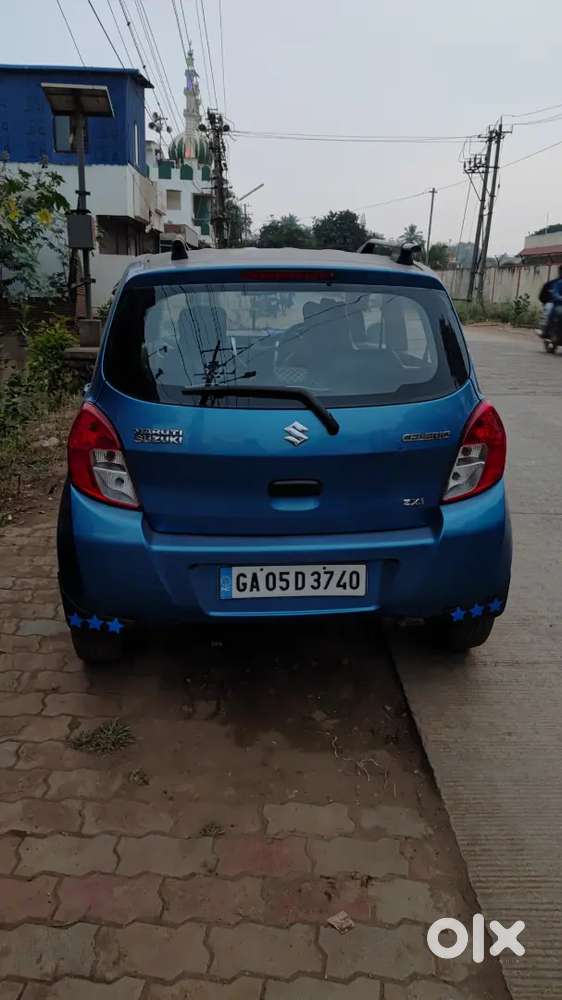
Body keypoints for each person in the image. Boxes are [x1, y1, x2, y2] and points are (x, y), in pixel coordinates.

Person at [538, 265, 562, 337]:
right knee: (549, 308)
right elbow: (554, 293)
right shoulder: (555, 283)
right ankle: (545, 330)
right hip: (555, 304)